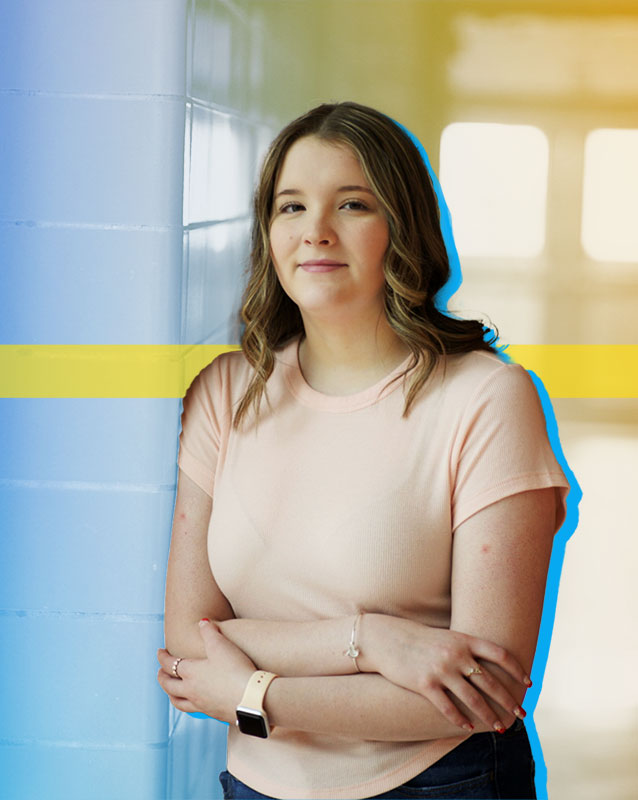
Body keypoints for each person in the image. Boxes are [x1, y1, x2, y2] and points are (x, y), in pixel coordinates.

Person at [156, 101, 570, 800]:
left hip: (440, 783)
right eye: (291, 207)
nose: (315, 231)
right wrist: (373, 642)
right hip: (257, 786)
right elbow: (192, 646)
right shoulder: (226, 393)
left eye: (351, 204)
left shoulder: (487, 399)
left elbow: (485, 697)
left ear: (399, 228)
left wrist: (255, 695)